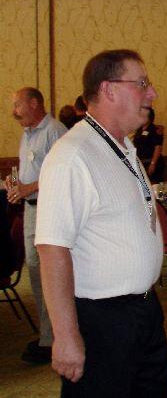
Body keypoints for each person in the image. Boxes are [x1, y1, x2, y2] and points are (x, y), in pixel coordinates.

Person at [35, 50, 167, 397]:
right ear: (109, 89)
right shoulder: (73, 155)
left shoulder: (123, 148)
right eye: (142, 83)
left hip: (144, 311)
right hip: (102, 320)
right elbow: (52, 249)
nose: (152, 93)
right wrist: (65, 335)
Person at [5, 87, 66, 364]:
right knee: (36, 273)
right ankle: (48, 334)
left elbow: (62, 172)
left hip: (49, 210)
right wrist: (16, 184)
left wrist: (28, 187)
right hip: (31, 210)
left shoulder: (55, 131)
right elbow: (31, 171)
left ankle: (53, 338)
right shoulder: (28, 134)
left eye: (17, 105)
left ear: (33, 103)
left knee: (50, 275)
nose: (14, 112)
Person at [133, 107, 165, 182]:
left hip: (152, 163)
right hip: (142, 163)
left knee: (154, 184)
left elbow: (158, 147)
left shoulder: (155, 130)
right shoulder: (139, 130)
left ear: (150, 117)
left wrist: (153, 163)